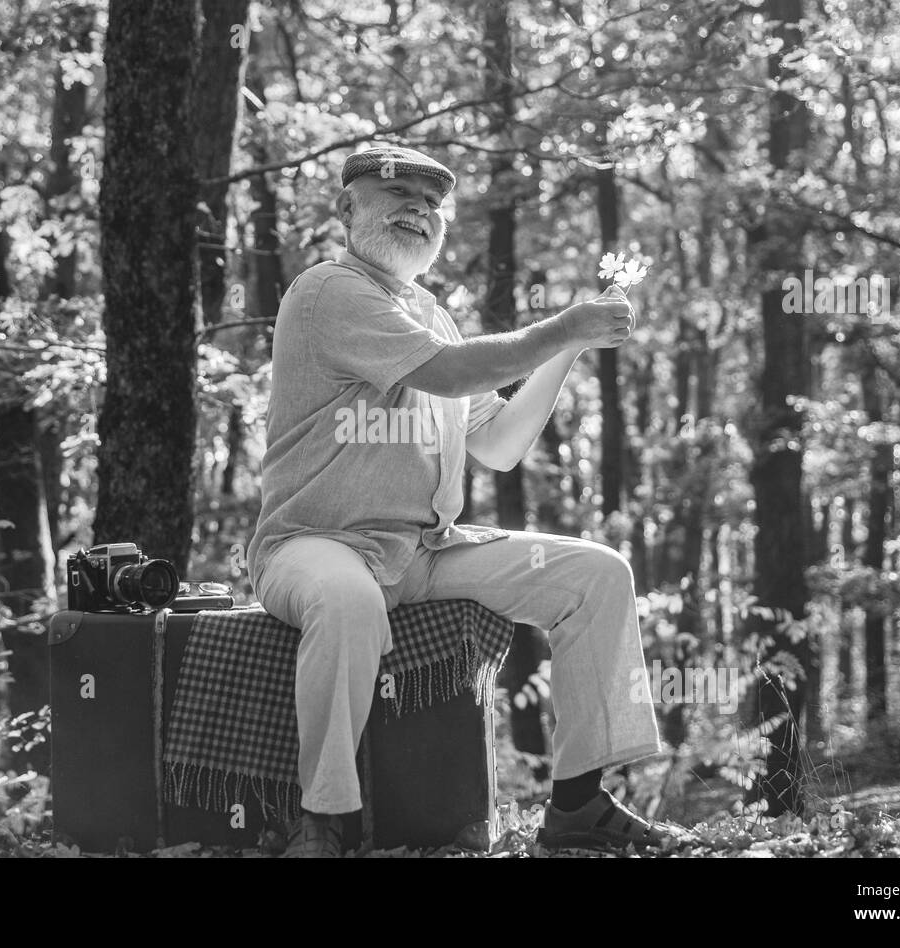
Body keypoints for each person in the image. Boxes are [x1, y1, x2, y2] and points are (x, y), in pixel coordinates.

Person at [245, 144, 675, 857]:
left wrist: (567, 350)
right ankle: (325, 823)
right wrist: (559, 328)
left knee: (597, 574)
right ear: (348, 209)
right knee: (348, 600)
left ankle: (576, 807)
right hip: (313, 545)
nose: (418, 208)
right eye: (397, 195)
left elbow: (499, 444)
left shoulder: (431, 315)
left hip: (423, 550)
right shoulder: (329, 290)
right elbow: (447, 374)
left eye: (431, 202)